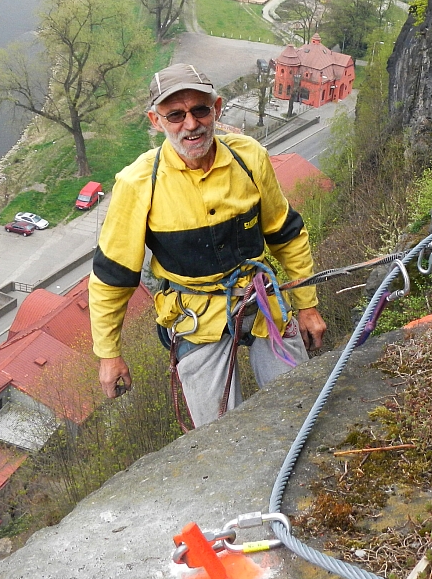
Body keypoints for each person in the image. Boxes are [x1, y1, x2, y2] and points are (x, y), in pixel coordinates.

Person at [88, 63, 326, 427]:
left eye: (200, 109)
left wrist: (306, 307)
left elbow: (286, 234)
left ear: (216, 109)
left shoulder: (248, 158)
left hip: (259, 299)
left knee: (300, 409)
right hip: (194, 316)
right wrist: (109, 354)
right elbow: (112, 278)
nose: (190, 124)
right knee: (218, 431)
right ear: (156, 121)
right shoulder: (139, 184)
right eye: (175, 114)